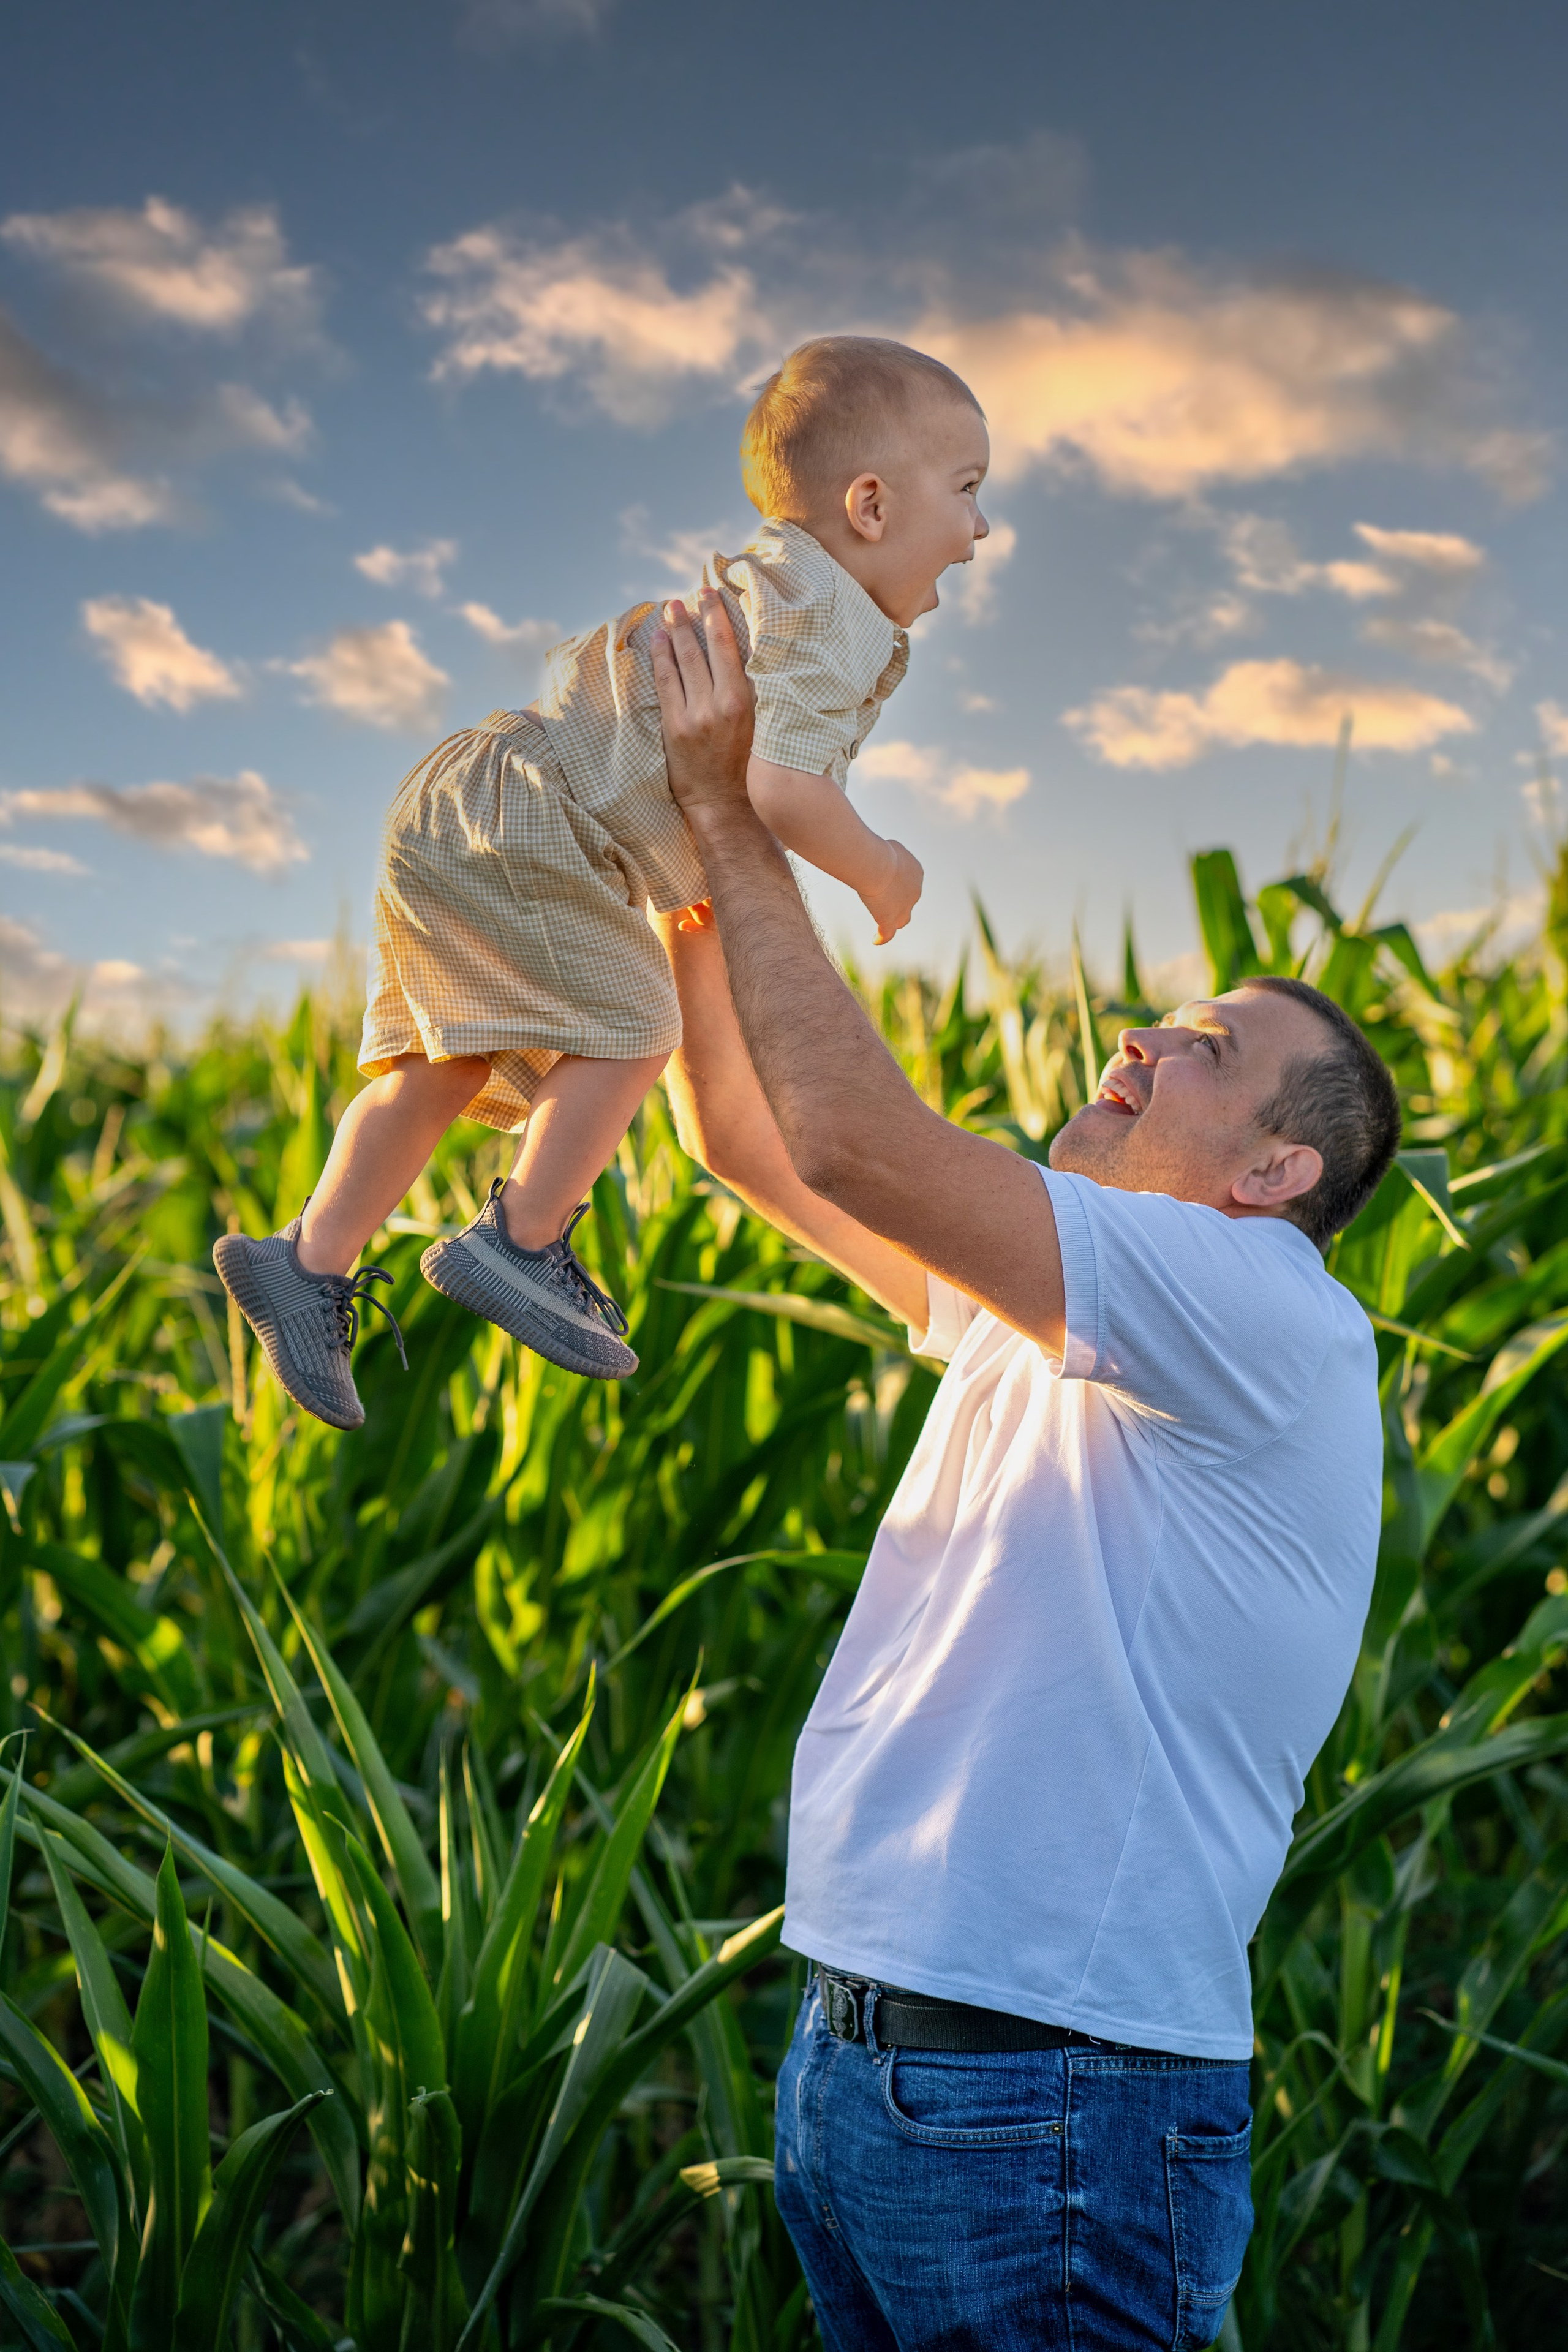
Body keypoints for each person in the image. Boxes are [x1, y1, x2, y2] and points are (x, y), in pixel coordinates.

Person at [647, 594, 1400, 2351]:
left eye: (1203, 1049)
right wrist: (681, 881)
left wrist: (732, 815)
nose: (1139, 1037)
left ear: (1275, 1175)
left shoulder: (1258, 1305)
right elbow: (754, 1144)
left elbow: (851, 1134)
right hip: (875, 2065)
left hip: (1055, 2097)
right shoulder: (1052, 1312)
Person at [214, 336, 990, 1429]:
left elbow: (701, 773)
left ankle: (305, 1260)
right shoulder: (827, 617)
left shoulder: (770, 588)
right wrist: (882, 868)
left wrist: (697, 865)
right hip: (544, 825)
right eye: (967, 490)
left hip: (470, 795)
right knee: (634, 1028)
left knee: (444, 1059)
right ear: (870, 504)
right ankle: (520, 1240)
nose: (979, 529)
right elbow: (780, 786)